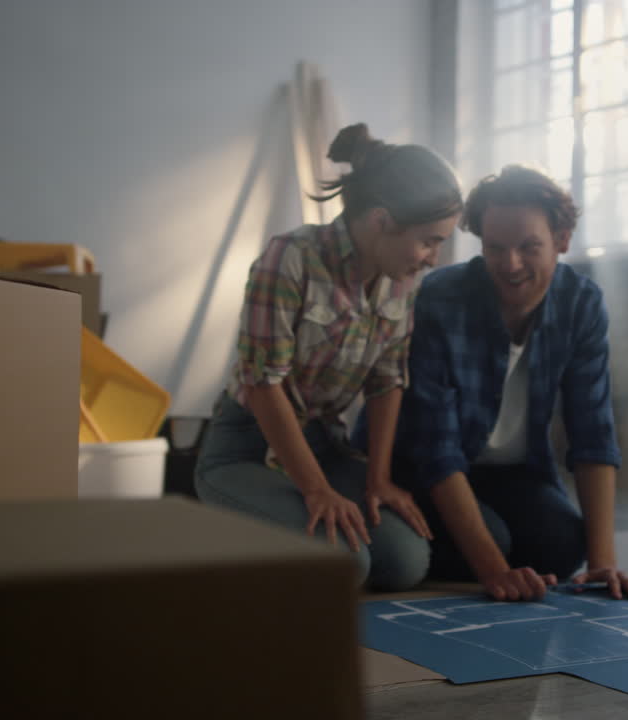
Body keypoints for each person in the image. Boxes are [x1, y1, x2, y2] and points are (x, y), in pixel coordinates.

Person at [195, 124, 462, 591]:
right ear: (380, 221)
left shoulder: (401, 277)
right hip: (247, 448)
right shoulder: (290, 258)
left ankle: (286, 524)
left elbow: (386, 382)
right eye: (429, 241)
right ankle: (227, 519)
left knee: (404, 562)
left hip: (323, 442)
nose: (432, 259)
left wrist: (378, 479)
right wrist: (317, 491)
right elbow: (263, 385)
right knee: (346, 563)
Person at [381, 164, 628, 602]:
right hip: (425, 473)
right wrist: (495, 571)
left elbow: (593, 432)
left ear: (561, 241)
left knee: (563, 545)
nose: (510, 265)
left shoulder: (581, 303)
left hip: (514, 473)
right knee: (496, 546)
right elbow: (435, 450)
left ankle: (484, 546)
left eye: (529, 248)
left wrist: (603, 563)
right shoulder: (441, 299)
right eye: (495, 248)